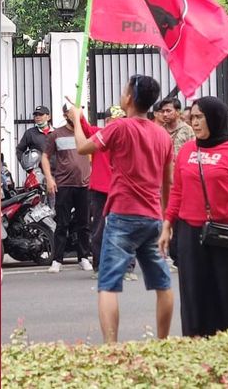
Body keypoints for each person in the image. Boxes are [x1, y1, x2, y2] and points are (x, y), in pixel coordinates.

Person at [65, 75, 174, 344]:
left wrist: (78, 119)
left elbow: (82, 147)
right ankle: (163, 342)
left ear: (129, 99)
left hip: (123, 214)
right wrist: (166, 220)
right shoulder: (162, 134)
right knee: (163, 284)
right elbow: (167, 182)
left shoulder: (120, 128)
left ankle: (111, 348)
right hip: (152, 218)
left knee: (108, 285)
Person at [161, 97, 228, 337]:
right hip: (190, 234)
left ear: (216, 118)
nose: (194, 122)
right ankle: (197, 342)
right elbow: (177, 191)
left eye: (200, 117)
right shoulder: (188, 150)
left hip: (226, 234)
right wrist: (167, 224)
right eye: (192, 117)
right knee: (194, 295)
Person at [84, 106, 137, 281]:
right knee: (99, 229)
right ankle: (99, 266)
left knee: (126, 229)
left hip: (123, 189)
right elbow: (84, 127)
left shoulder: (130, 138)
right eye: (116, 120)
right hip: (100, 189)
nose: (120, 123)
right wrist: (76, 113)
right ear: (107, 121)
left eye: (122, 119)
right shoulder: (99, 134)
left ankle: (127, 267)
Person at [42, 104, 94, 273]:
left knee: (84, 224)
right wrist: (49, 178)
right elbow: (45, 157)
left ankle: (84, 257)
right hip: (64, 184)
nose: (77, 115)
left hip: (84, 184)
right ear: (65, 114)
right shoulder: (56, 134)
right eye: (73, 112)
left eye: (79, 111)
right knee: (61, 224)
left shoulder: (86, 132)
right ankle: (57, 259)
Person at [155, 97, 195, 269]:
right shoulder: (158, 131)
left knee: (180, 218)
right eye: (163, 111)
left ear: (178, 112)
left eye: (169, 110)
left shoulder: (188, 131)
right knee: (163, 217)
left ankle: (179, 256)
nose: (165, 114)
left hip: (183, 182)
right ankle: (164, 253)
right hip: (162, 182)